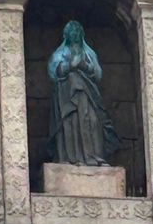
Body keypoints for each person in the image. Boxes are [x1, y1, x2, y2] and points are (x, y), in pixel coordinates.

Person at [47, 21, 120, 165]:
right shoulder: (61, 53)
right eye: (72, 31)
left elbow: (97, 73)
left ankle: (94, 156)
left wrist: (85, 66)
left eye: (77, 31)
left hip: (89, 95)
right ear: (66, 35)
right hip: (67, 96)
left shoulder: (88, 53)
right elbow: (54, 71)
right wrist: (70, 65)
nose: (75, 34)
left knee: (93, 121)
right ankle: (70, 158)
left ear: (82, 34)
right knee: (71, 123)